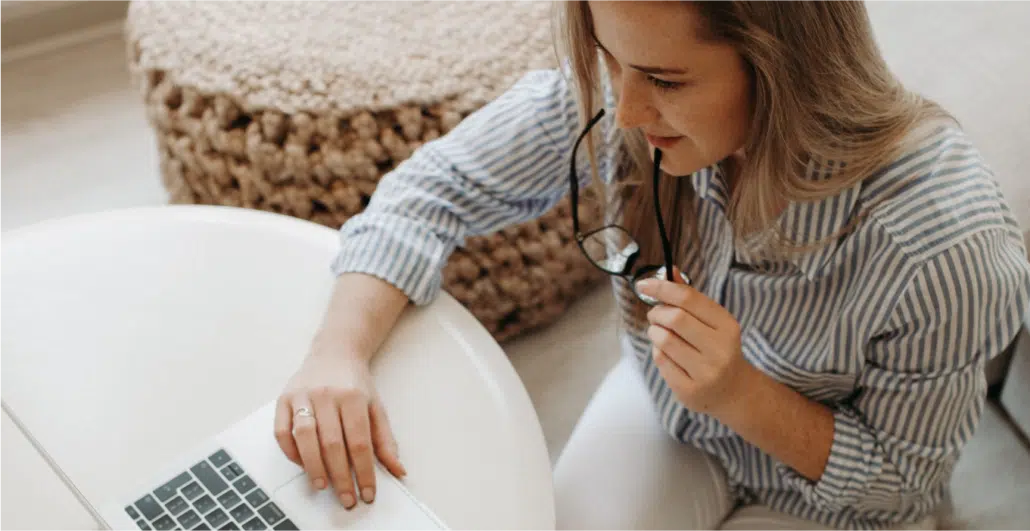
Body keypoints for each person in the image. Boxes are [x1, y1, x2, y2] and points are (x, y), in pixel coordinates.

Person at [272, 0, 1030, 529]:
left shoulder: (946, 249)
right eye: (611, 59)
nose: (627, 111)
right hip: (671, 413)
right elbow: (432, 190)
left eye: (666, 80)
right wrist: (338, 353)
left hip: (833, 500)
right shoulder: (623, 95)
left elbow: (902, 482)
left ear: (785, 68)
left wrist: (741, 393)